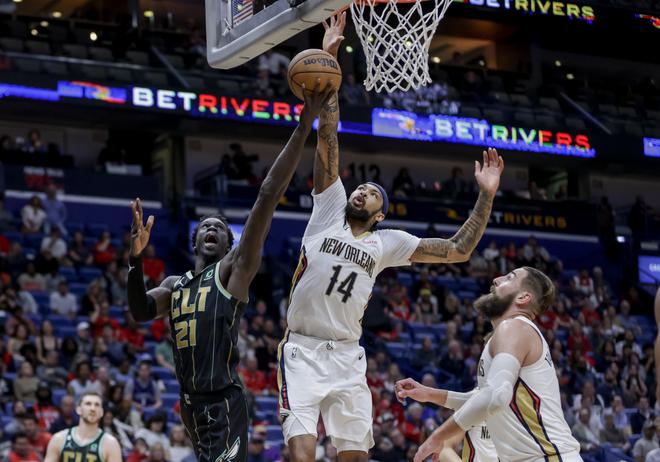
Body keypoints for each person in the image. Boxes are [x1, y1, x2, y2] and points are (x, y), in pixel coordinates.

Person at [279, 14, 503, 462]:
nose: (360, 190)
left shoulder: (386, 243)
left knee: (356, 457)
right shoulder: (327, 211)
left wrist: (486, 196)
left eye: (371, 193)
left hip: (347, 355)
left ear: (380, 213)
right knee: (301, 452)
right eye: (359, 187)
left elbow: (458, 251)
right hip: (301, 350)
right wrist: (331, 57)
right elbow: (328, 135)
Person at [126, 84, 332, 462]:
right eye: (204, 226)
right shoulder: (175, 286)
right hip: (190, 404)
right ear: (194, 241)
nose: (210, 230)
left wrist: (304, 125)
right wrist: (135, 261)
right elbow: (140, 311)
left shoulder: (232, 273)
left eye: (218, 228)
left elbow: (268, 193)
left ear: (227, 244)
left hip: (223, 401)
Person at [412, 267, 581, 462]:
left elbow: (496, 396)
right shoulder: (508, 333)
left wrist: (438, 436)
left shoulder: (515, 327)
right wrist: (429, 394)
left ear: (523, 297)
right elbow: (483, 397)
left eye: (509, 277)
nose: (496, 279)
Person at [394, 379, 498, 462]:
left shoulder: (506, 397)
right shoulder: (482, 397)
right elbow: (445, 448)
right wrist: (428, 393)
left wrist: (428, 394)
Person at [43, 392, 122, 462]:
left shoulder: (111, 444)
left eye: (97, 405)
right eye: (88, 404)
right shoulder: (59, 439)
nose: (93, 408)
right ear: (78, 409)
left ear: (101, 412)